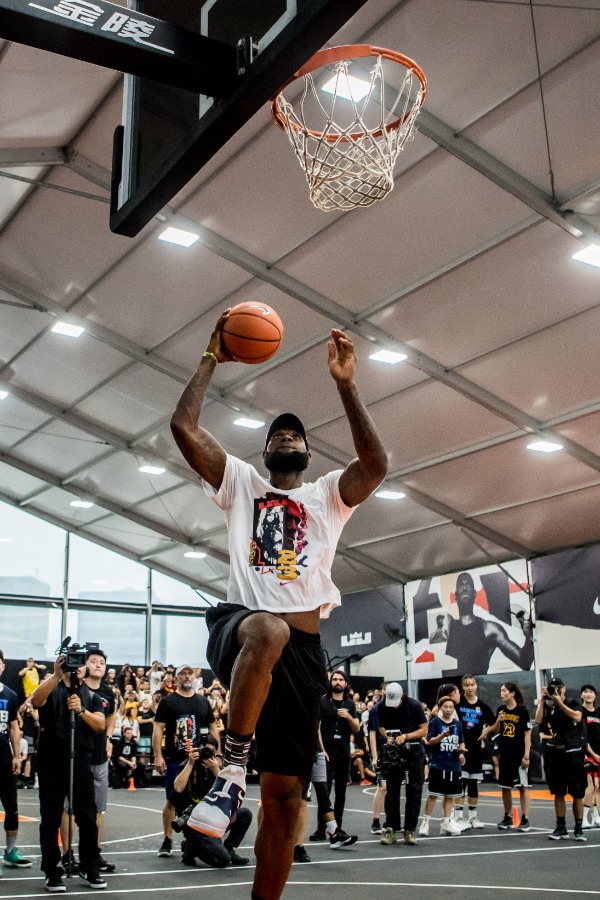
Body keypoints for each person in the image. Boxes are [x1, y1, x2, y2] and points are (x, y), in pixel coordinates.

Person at [170, 316, 387, 900]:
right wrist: (212, 356)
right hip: (241, 628)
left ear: (309, 453)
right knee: (267, 630)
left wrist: (346, 384)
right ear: (266, 451)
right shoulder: (241, 483)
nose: (287, 436)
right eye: (278, 434)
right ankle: (233, 771)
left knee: (287, 798)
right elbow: (183, 426)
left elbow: (376, 466)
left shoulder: (327, 497)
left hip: (304, 654)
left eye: (296, 434)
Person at [30, 654, 107, 892]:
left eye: (82, 663)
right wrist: (56, 674)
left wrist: (81, 711)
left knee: (87, 816)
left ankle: (89, 865)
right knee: (51, 817)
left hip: (81, 760)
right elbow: (35, 701)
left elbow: (100, 725)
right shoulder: (52, 687)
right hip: (51, 760)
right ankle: (51, 870)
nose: (77, 667)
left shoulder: (92, 697)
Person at [152, 665, 219, 858]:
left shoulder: (202, 701)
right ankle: (167, 839)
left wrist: (218, 753)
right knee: (172, 799)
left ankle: (193, 841)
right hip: (176, 758)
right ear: (176, 678)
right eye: (182, 673)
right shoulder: (168, 701)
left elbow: (213, 727)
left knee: (201, 799)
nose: (186, 676)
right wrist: (158, 755)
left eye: (189, 673)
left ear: (195, 677)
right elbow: (158, 728)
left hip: (199, 759)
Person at [171, 739, 252, 868]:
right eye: (203, 750)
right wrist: (191, 763)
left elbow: (232, 798)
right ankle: (192, 847)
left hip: (214, 816)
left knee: (245, 814)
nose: (206, 754)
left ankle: (228, 848)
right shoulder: (187, 765)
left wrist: (216, 770)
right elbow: (178, 788)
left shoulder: (219, 770)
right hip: (193, 820)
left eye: (210, 751)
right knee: (222, 861)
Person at [444, 572, 533, 676]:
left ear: (474, 593)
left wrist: (529, 637)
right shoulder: (446, 623)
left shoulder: (489, 629)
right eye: (461, 584)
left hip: (474, 689)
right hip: (447, 691)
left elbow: (524, 662)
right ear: (455, 595)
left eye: (468, 584)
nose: (464, 587)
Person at [535, 677, 587, 841]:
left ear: (563, 688)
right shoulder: (549, 707)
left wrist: (559, 702)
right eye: (552, 688)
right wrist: (543, 700)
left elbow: (578, 717)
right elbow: (538, 720)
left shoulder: (572, 703)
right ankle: (561, 826)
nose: (555, 690)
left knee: (577, 792)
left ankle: (579, 827)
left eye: (557, 687)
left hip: (573, 752)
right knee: (558, 792)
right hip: (556, 752)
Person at [377, 682, 428, 846]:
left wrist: (406, 736)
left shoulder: (414, 706)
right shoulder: (382, 706)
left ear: (403, 696)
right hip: (394, 751)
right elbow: (381, 727)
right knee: (392, 790)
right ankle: (391, 828)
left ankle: (410, 829)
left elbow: (424, 729)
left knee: (414, 789)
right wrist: (388, 737)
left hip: (413, 750)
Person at [312, 671, 360, 839]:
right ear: (330, 682)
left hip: (343, 752)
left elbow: (357, 728)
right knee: (324, 791)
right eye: (335, 679)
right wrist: (321, 750)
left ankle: (337, 826)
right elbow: (316, 726)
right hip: (327, 752)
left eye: (341, 680)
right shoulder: (323, 701)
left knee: (341, 792)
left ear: (346, 684)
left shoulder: (350, 704)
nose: (338, 682)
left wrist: (348, 717)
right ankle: (321, 828)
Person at [481, 682, 531, 833]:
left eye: (504, 691)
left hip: (518, 753)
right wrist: (498, 721)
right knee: (505, 786)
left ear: (512, 693)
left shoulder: (522, 711)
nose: (501, 693)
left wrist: (526, 755)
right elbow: (496, 729)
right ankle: (507, 816)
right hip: (505, 753)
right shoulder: (501, 710)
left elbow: (527, 733)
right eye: (501, 691)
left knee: (522, 786)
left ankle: (525, 818)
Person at [84, 649, 117, 874]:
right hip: (78, 755)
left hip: (99, 756)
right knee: (70, 808)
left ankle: (94, 853)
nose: (98, 665)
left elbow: (112, 714)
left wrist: (108, 737)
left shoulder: (108, 692)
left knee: (99, 809)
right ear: (85, 665)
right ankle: (68, 854)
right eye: (93, 661)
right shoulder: (77, 688)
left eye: (102, 662)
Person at [0, 649, 32, 875]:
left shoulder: (10, 695)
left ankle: (10, 852)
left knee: (11, 807)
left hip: (3, 757)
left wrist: (17, 756)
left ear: (2, 667)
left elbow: (14, 727)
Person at [419, 695, 466, 836]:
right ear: (440, 708)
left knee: (450, 795)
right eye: (445, 707)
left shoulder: (457, 724)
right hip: (438, 763)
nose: (448, 709)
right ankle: (425, 821)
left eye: (451, 707)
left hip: (453, 764)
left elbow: (461, 740)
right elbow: (429, 742)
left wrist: (462, 752)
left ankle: (446, 822)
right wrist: (442, 736)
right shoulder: (435, 722)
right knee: (433, 794)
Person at [455, 674, 495, 830]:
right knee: (460, 783)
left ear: (476, 685)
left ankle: (473, 817)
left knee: (473, 784)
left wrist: (485, 733)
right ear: (462, 687)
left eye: (472, 684)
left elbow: (493, 724)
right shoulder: (458, 704)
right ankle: (458, 817)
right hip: (460, 749)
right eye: (466, 685)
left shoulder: (482, 706)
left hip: (476, 750)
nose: (469, 688)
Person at [581, 685, 600, 828]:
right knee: (590, 786)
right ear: (582, 695)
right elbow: (583, 738)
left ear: (595, 695)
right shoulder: (580, 713)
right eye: (586, 692)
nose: (588, 695)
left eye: (591, 692)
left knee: (598, 787)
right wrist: (593, 754)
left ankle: (596, 816)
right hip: (587, 754)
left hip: (599, 754)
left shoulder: (599, 713)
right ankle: (583, 818)